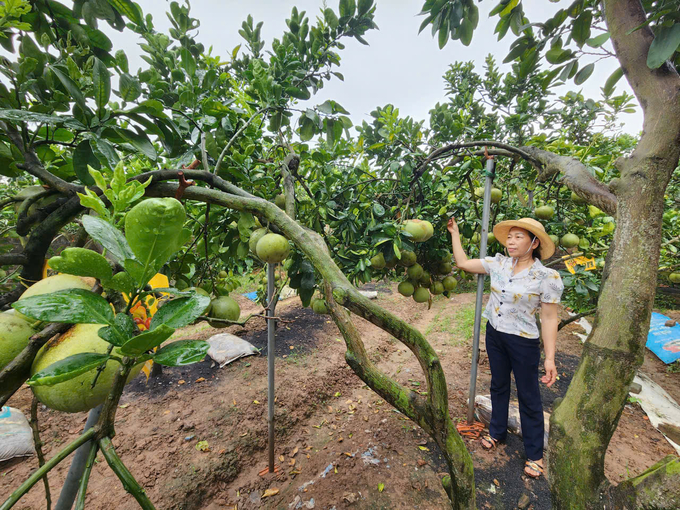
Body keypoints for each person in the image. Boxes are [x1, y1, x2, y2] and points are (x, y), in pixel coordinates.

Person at [447, 216, 564, 479]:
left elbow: (548, 318)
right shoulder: (498, 264)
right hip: (495, 335)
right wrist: (454, 233)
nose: (511, 241)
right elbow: (464, 263)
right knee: (498, 384)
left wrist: (550, 357)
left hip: (523, 341)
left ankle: (534, 453)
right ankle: (497, 431)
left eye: (518, 237)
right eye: (509, 236)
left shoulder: (547, 277)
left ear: (534, 243)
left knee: (528, 394)